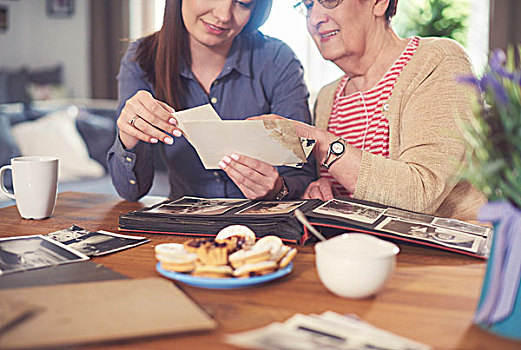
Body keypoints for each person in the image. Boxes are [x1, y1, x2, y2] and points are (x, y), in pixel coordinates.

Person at [223, 0, 486, 220]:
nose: (314, 19)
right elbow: (346, 186)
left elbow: (420, 194)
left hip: (443, 264)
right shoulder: (328, 97)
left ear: (379, 2)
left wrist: (320, 143)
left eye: (328, 0)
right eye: (308, 5)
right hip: (360, 260)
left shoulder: (438, 61)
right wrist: (320, 189)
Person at [107, 0, 316, 202]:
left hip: (262, 224)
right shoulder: (142, 59)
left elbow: (302, 174)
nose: (223, 16)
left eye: (242, 3)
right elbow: (131, 192)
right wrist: (129, 137)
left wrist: (278, 189)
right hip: (184, 225)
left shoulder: (277, 60)